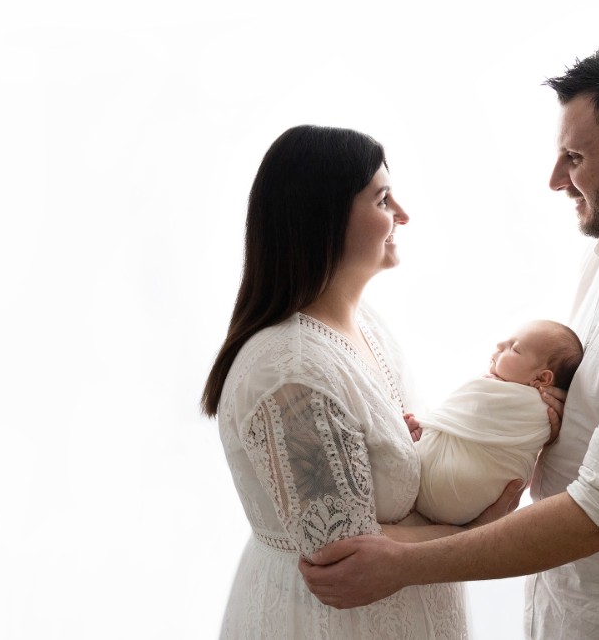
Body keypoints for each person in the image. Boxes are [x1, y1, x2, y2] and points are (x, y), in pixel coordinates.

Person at [299, 44, 599, 640]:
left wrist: (404, 565)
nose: (555, 180)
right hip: (560, 615)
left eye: (574, 157)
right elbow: (580, 439)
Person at [200, 125, 531, 639]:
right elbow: (343, 558)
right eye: (382, 198)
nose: (402, 213)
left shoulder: (366, 325)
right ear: (323, 217)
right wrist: (476, 532)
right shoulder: (289, 373)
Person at [415, 320, 583, 525]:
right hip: (466, 507)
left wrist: (429, 424)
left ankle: (424, 438)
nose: (500, 345)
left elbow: (470, 405)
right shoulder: (539, 407)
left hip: (451, 482)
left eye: (515, 348)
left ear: (541, 378)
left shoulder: (535, 407)